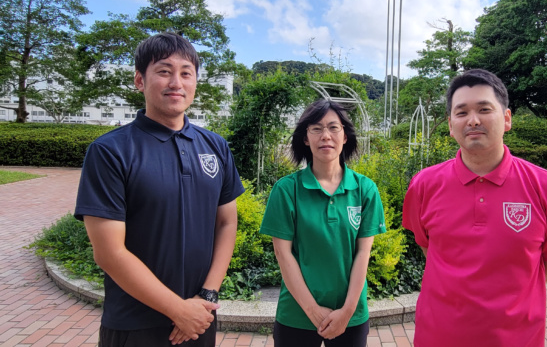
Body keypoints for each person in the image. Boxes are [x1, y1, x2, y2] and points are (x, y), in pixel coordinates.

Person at [74, 32, 244, 347]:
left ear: (195, 82)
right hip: (134, 324)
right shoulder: (110, 151)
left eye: (185, 73)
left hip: (199, 317)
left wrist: (206, 296)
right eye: (164, 71)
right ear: (140, 80)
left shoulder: (215, 146)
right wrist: (177, 310)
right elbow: (110, 253)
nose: (176, 82)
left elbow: (226, 222)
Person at [402, 69, 547, 347]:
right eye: (461, 112)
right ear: (451, 125)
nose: (473, 120)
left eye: (484, 109)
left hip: (517, 337)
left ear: (507, 118)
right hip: (438, 335)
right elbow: (429, 247)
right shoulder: (424, 185)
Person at [259, 99, 386, 347]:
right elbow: (283, 254)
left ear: (345, 136)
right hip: (296, 314)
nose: (325, 136)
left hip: (351, 315)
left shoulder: (365, 189)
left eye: (333, 128)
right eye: (316, 128)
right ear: (306, 138)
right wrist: (313, 310)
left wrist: (347, 312)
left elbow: (363, 253)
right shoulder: (286, 190)